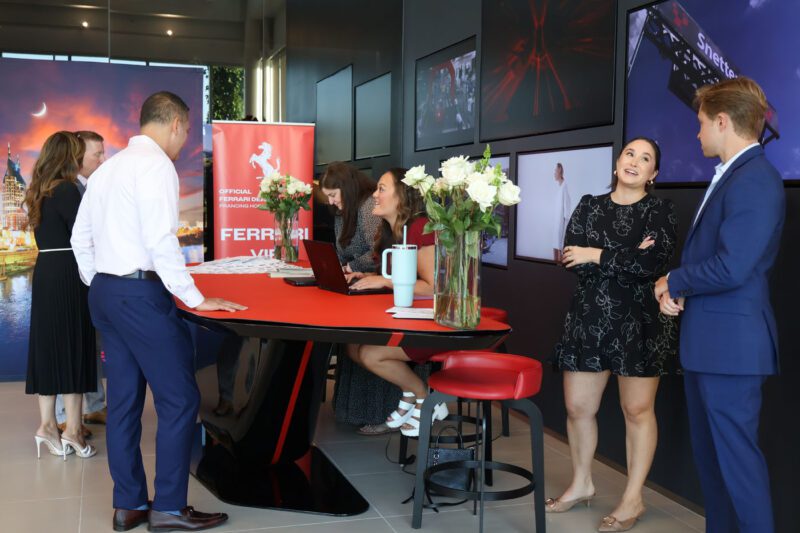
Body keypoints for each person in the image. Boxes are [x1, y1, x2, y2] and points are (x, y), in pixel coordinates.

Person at [71, 91, 246, 532]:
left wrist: (103, 281)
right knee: (180, 398)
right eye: (186, 131)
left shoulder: (107, 170)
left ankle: (128, 505)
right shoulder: (155, 166)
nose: (185, 140)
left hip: (107, 296)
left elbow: (80, 237)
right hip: (139, 298)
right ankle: (168, 507)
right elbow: (161, 242)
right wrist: (194, 298)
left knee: (125, 403)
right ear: (173, 123)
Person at [655, 77, 784, 533]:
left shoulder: (755, 181)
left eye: (701, 123)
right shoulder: (738, 176)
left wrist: (675, 279)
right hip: (714, 346)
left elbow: (733, 267)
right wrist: (683, 289)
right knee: (715, 468)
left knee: (738, 470)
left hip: (731, 351)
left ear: (723, 122)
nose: (697, 134)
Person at [549, 138, 679, 532]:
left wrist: (598, 253)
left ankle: (633, 498)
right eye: (629, 154)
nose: (635, 162)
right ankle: (582, 483)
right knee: (577, 408)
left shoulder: (660, 210)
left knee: (637, 411)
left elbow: (654, 261)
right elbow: (573, 260)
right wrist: (624, 256)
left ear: (654, 174)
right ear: (617, 162)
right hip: (589, 319)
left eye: (646, 159)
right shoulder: (589, 204)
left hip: (640, 322)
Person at [345, 168, 446, 438]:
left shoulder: (421, 228)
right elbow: (400, 276)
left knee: (369, 354)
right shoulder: (391, 232)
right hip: (408, 316)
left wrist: (385, 282)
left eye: (381, 189)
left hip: (432, 324)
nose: (375, 196)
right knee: (353, 348)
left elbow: (433, 288)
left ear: (402, 196)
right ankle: (411, 393)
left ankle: (426, 397)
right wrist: (369, 276)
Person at [321, 162, 413, 436]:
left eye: (334, 195)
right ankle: (361, 408)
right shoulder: (346, 213)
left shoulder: (371, 212)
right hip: (370, 285)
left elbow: (378, 255)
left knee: (365, 344)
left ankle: (391, 406)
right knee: (351, 345)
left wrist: (354, 269)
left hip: (384, 293)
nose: (331, 202)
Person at [25, 131, 97, 460]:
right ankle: (72, 431)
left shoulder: (39, 189)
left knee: (48, 348)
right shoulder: (68, 189)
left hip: (46, 271)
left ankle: (47, 425)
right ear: (68, 156)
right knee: (72, 347)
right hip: (68, 272)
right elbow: (85, 233)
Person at [55, 130, 106, 438]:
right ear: (76, 157)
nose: (103, 159)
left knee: (91, 343)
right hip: (71, 278)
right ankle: (65, 415)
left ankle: (94, 404)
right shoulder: (67, 190)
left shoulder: (90, 186)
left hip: (91, 277)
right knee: (69, 343)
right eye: (96, 154)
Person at [553, 162, 571, 262]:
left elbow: (567, 210)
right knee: (555, 244)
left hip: (561, 224)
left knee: (559, 245)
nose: (554, 173)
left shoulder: (564, 187)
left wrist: (565, 226)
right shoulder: (560, 187)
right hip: (557, 224)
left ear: (560, 171)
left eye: (555, 171)